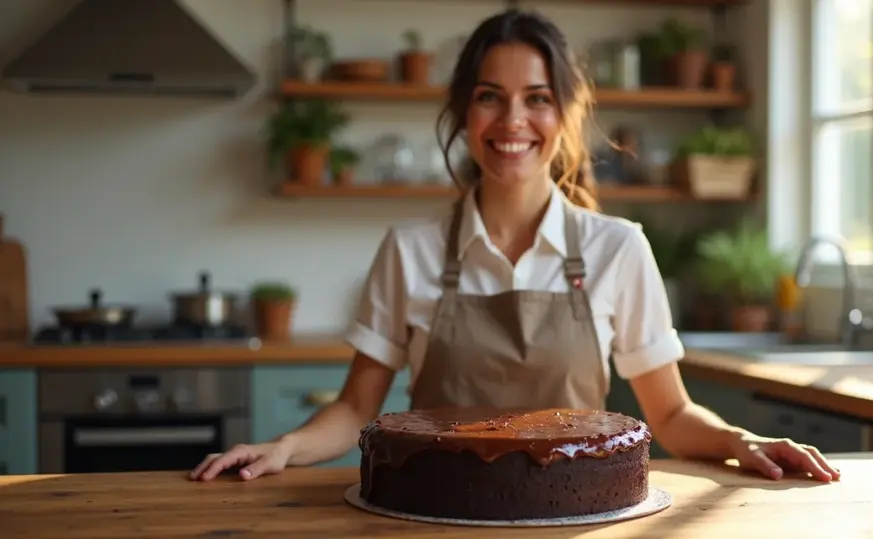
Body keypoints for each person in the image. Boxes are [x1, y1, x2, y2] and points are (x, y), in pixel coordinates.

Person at [191, 9, 840, 484]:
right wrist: (284, 446)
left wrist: (739, 438)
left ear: (564, 115)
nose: (512, 122)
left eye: (537, 99)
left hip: (579, 513)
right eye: (489, 98)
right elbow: (356, 406)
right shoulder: (409, 251)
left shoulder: (618, 249)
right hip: (437, 512)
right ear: (462, 114)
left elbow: (669, 414)